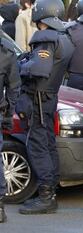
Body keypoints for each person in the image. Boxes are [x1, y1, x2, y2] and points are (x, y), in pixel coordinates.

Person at [17, 0, 74, 215]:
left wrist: (21, 65)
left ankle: (46, 196)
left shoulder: (46, 38)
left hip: (38, 99)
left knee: (38, 146)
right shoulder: (64, 37)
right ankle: (49, 192)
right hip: (49, 97)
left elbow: (39, 69)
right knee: (48, 144)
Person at [0, 31, 21, 223]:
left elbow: (14, 87)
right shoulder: (6, 51)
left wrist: (7, 114)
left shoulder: (6, 52)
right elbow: (14, 88)